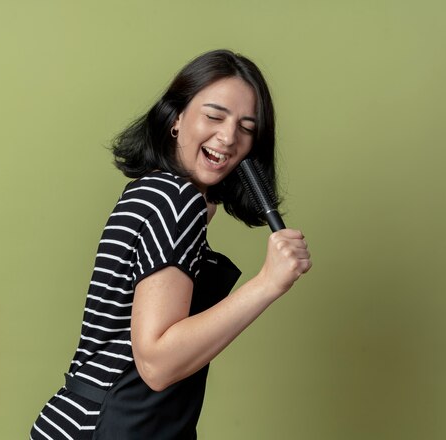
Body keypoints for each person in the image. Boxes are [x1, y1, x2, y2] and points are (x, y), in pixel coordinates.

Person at [30, 49, 311, 439]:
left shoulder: (153, 192)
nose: (228, 137)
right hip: (108, 428)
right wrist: (268, 283)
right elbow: (158, 363)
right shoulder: (176, 200)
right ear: (176, 118)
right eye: (214, 116)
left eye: (246, 127)